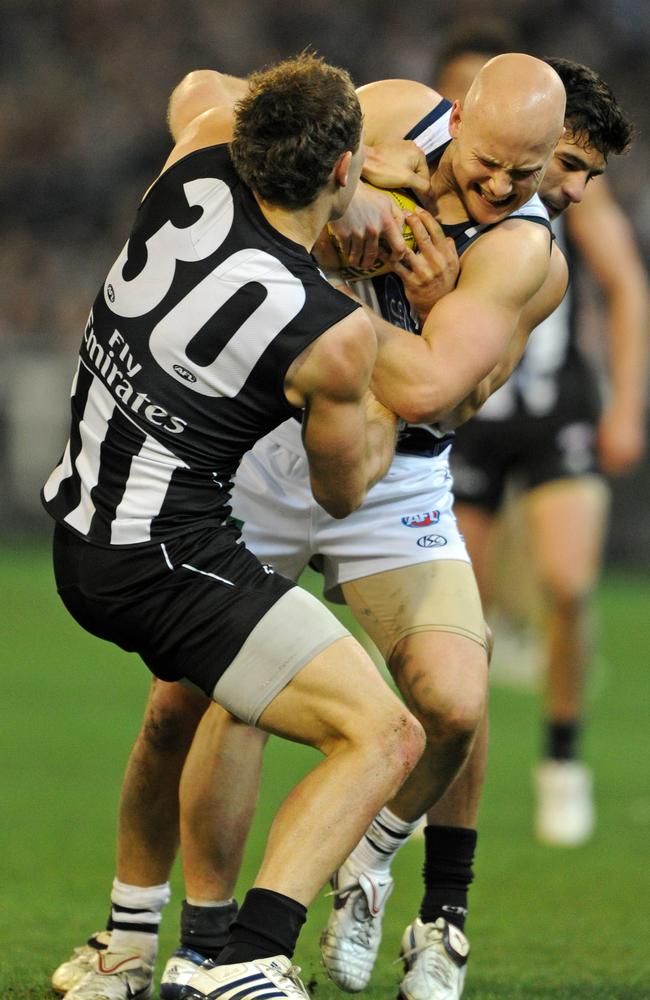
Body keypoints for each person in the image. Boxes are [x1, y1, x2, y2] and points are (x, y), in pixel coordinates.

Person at [52, 52, 573, 1000]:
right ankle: (177, 947)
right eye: (491, 160)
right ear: (451, 119)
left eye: (529, 173)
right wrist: (359, 200)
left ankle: (364, 868)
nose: (503, 186)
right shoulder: (396, 122)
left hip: (385, 466)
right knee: (189, 706)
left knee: (449, 704)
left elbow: (428, 390)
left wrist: (408, 295)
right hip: (257, 451)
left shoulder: (525, 252)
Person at [436, 23, 649, 847]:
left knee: (570, 583)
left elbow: (627, 286)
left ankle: (562, 759)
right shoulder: (459, 185)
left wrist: (626, 406)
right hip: (469, 417)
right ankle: (439, 772)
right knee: (464, 619)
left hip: (555, 407)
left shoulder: (569, 196)